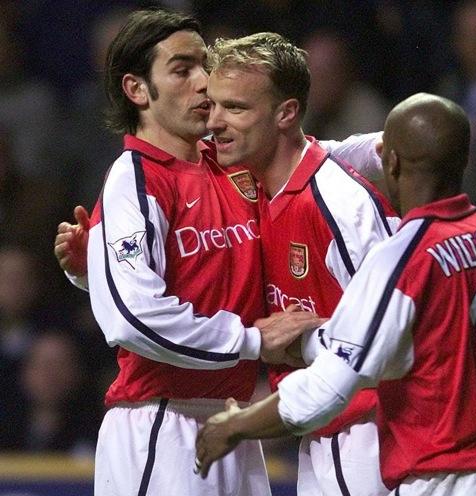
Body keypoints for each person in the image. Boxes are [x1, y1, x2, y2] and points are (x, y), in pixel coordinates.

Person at [194, 93, 476, 495]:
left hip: (443, 482)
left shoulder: (401, 259)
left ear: (390, 162)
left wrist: (235, 425)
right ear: (465, 161)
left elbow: (324, 394)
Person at [53, 10, 385, 495]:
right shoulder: (137, 177)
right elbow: (131, 319)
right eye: (182, 69)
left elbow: (308, 154)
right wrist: (252, 340)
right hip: (160, 427)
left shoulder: (228, 161)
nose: (204, 83)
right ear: (137, 90)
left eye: (203, 65)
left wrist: (391, 144)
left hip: (234, 421)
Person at [205, 32, 399, 495]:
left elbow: (394, 331)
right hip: (321, 430)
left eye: (235, 108)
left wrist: (307, 342)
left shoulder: (340, 205)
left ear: (286, 113)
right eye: (212, 105)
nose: (214, 122)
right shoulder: (255, 183)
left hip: (368, 434)